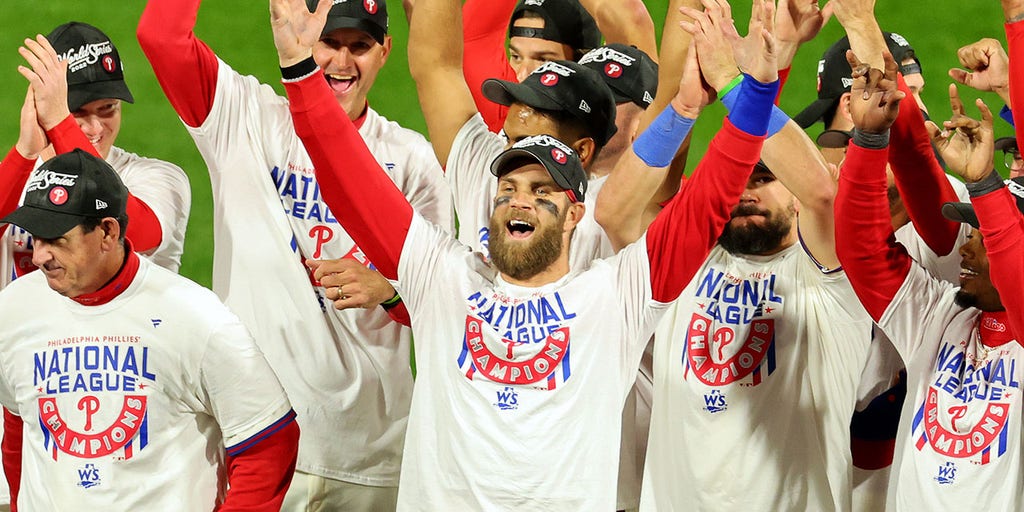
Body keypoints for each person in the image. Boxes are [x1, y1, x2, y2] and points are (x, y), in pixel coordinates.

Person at [274, 0, 778, 508]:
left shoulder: (618, 295)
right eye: (510, 187)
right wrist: (299, 69)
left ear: (575, 211)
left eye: (542, 191)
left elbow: (709, 199)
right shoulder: (441, 275)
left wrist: (753, 91)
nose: (520, 200)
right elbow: (348, 172)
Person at [136, 0, 452, 509]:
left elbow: (450, 306)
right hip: (259, 443)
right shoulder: (241, 116)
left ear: (386, 50)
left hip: (371, 455)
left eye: (361, 46)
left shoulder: (412, 159)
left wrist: (390, 290)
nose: (343, 63)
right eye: (329, 43)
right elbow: (161, 36)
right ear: (305, 38)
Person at [0, 149, 297, 510]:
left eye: (57, 240)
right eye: (37, 238)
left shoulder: (194, 317)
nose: (39, 256)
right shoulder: (13, 309)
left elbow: (268, 441)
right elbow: (18, 425)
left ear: (107, 232)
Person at [835, 47, 1024, 510]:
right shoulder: (939, 316)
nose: (966, 245)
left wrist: (984, 186)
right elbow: (862, 250)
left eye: (984, 236)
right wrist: (868, 139)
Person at [1, 22, 190, 280]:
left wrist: (59, 122)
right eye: (77, 112)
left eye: (108, 108)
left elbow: (139, 235)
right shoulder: (14, 180)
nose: (94, 128)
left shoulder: (160, 178)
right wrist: (24, 153)